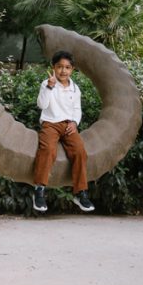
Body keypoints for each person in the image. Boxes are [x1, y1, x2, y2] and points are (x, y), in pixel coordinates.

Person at [32, 49, 95, 213]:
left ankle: (81, 192)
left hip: (68, 125)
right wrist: (49, 87)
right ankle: (39, 191)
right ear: (53, 67)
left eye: (67, 67)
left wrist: (74, 122)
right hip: (50, 124)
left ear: (72, 69)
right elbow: (42, 105)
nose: (63, 71)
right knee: (48, 150)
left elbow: (77, 109)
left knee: (80, 151)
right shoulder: (47, 84)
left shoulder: (75, 89)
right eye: (59, 67)